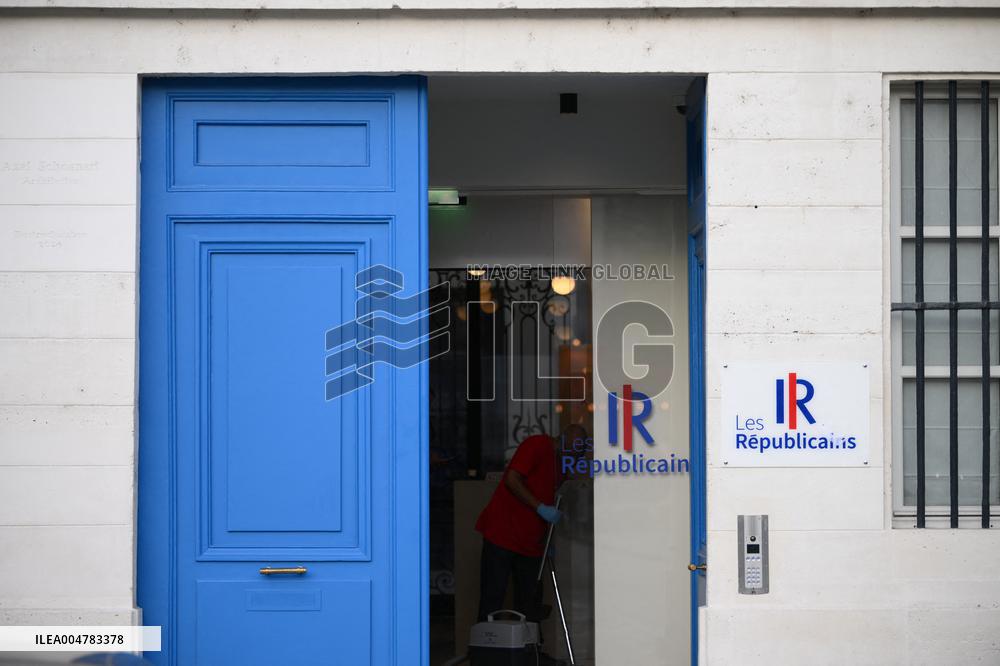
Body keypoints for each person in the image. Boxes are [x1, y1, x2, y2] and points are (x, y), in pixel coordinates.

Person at [474, 424, 589, 622]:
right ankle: (485, 650)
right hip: (503, 533)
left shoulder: (562, 465)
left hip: (531, 542)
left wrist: (547, 537)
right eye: (571, 451)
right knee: (493, 597)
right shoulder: (536, 445)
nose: (572, 458)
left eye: (577, 455)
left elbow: (552, 493)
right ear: (561, 439)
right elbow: (512, 479)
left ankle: (527, 650)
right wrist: (540, 508)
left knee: (530, 602)